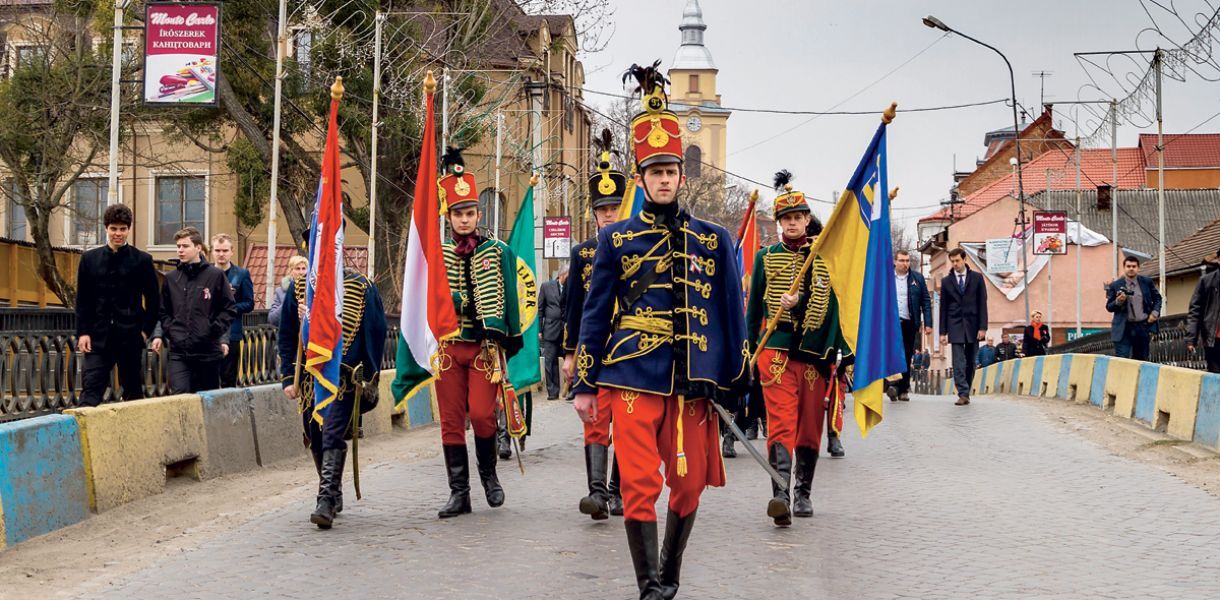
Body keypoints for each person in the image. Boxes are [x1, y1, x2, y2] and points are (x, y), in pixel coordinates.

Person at [571, 62, 749, 599]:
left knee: (690, 485)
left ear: (681, 174)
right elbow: (595, 313)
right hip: (630, 375)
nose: (665, 178)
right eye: (655, 172)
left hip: (693, 381)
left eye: (672, 170)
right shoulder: (616, 240)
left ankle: (671, 571)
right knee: (641, 483)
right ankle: (650, 586)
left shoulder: (715, 240)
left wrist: (733, 382)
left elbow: (730, 316)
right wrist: (584, 383)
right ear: (642, 178)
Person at [746, 172, 849, 525]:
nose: (792, 224)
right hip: (775, 350)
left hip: (813, 354)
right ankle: (780, 495)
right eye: (786, 219)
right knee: (781, 423)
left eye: (797, 218)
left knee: (808, 427)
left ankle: (803, 492)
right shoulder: (764, 258)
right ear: (779, 224)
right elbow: (753, 311)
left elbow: (837, 306)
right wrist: (749, 351)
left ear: (807, 219)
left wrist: (801, 300)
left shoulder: (823, 258)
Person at [433, 147, 523, 520]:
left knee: (484, 416)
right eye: (458, 213)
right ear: (449, 216)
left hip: (484, 350)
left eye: (470, 213)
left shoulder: (496, 251)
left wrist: (505, 336)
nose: (465, 219)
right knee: (452, 421)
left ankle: (489, 476)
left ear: (478, 214)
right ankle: (459, 492)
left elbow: (511, 300)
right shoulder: (437, 253)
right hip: (449, 349)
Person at [278, 228, 387, 529]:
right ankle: (334, 490)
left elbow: (375, 333)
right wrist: (290, 377)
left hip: (344, 379)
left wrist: (369, 378)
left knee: (332, 432)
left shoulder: (362, 286)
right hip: (312, 379)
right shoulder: (300, 289)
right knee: (314, 434)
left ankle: (324, 500)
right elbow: (286, 335)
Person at [562, 133, 626, 520]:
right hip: (593, 349)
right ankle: (597, 494)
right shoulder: (583, 254)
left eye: (615, 206)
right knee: (596, 421)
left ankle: (618, 491)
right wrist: (569, 353)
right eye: (603, 208)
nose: (609, 214)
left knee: (628, 423)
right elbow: (575, 310)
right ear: (594, 211)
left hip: (631, 344)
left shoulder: (640, 246)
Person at [75, 204, 160, 407]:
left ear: (128, 229)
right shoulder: (89, 259)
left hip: (130, 336)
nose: (118, 233)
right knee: (90, 392)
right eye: (114, 228)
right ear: (106, 228)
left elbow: (154, 300)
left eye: (122, 229)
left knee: (132, 392)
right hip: (97, 338)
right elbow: (83, 299)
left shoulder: (142, 260)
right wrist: (83, 332)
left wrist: (145, 332)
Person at [150, 227, 236, 394]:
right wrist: (171, 330)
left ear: (198, 247)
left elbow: (228, 308)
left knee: (206, 398)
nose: (180, 250)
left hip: (208, 351)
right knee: (180, 395)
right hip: (179, 351)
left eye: (185, 246)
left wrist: (212, 330)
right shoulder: (171, 278)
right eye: (178, 246)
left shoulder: (215, 275)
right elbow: (162, 311)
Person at [939, 247, 988, 406]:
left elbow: (982, 304)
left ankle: (966, 388)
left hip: (973, 325)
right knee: (958, 361)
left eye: (957, 261)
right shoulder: (946, 281)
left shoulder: (977, 278)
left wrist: (983, 327)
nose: (955, 264)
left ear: (964, 259)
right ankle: (963, 392)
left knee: (970, 361)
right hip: (955, 325)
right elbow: (943, 308)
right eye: (952, 261)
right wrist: (942, 332)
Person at [888, 249, 932, 402]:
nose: (905, 264)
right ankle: (893, 385)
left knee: (906, 355)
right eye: (901, 260)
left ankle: (903, 389)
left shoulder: (917, 279)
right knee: (892, 354)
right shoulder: (886, 278)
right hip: (890, 322)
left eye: (907, 261)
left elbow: (926, 301)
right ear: (895, 261)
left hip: (909, 322)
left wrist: (928, 323)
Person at [211, 234, 254, 388]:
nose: (221, 254)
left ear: (232, 251)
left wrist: (230, 308)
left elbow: (249, 304)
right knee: (209, 377)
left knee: (228, 378)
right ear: (212, 251)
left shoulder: (241, 274)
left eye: (225, 250)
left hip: (232, 332)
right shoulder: (206, 273)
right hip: (209, 332)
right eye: (217, 250)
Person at [1106, 256, 1162, 361]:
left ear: (1138, 268)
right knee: (1123, 359)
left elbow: (1158, 298)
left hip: (1142, 326)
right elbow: (1109, 307)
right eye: (1128, 266)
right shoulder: (1115, 285)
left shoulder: (1146, 282)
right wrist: (1119, 301)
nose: (1131, 269)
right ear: (1124, 268)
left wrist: (1155, 313)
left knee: (1141, 359)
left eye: (1134, 266)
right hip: (1123, 328)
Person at [1186, 248, 1220, 373]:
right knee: (1215, 377)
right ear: (1218, 260)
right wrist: (1191, 339)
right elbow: (1195, 310)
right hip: (1213, 338)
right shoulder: (1206, 281)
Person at [539, 268, 568, 401]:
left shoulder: (570, 287)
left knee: (569, 359)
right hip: (550, 329)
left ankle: (570, 389)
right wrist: (539, 330)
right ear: (562, 275)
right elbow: (540, 309)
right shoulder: (546, 286)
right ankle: (552, 391)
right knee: (550, 361)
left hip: (566, 331)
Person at [268, 255, 309, 327]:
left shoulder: (312, 291)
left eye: (303, 268)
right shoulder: (280, 291)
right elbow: (272, 319)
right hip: (290, 333)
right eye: (297, 269)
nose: (301, 272)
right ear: (291, 271)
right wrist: (288, 299)